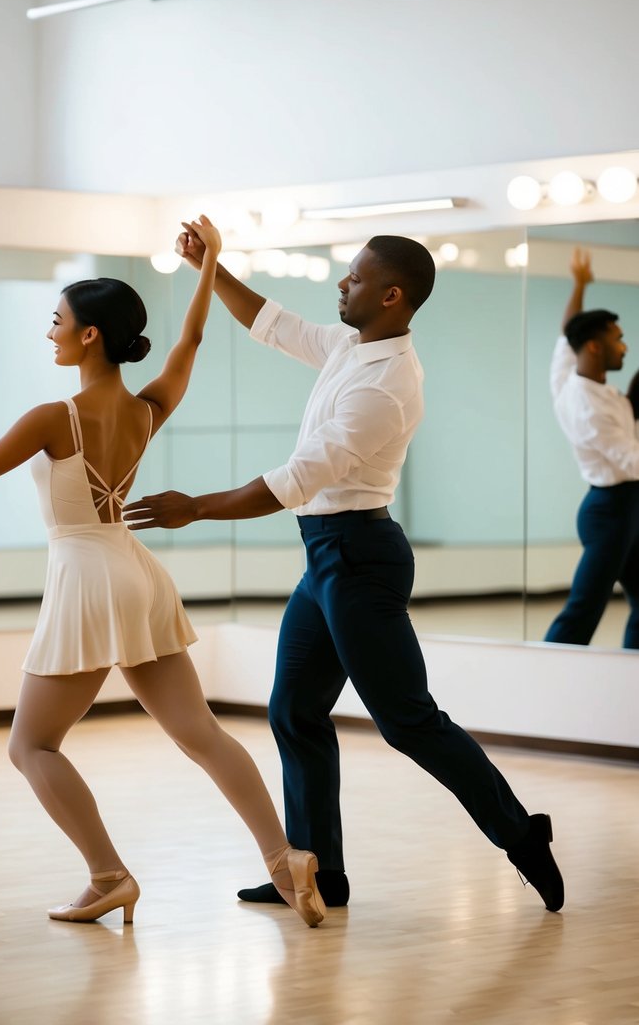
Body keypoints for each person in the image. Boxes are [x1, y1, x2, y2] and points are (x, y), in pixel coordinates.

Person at [0, 217, 325, 929]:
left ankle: (108, 875)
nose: (48, 332)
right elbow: (191, 340)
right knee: (200, 732)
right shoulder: (147, 408)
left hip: (87, 578)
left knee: (31, 745)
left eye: (57, 321)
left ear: (88, 335)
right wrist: (209, 266)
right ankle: (283, 859)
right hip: (137, 573)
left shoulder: (56, 415)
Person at [124, 229, 565, 914]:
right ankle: (315, 873)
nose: (340, 285)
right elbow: (270, 323)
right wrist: (208, 266)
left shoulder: (387, 385)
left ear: (391, 296)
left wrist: (195, 508)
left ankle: (520, 835)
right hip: (325, 557)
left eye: (354, 279)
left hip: (359, 559)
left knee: (407, 722)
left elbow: (295, 481)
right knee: (294, 712)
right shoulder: (347, 346)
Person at [544, 247, 639, 649]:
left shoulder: (571, 376)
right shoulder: (585, 406)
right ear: (596, 347)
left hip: (627, 506)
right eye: (618, 340)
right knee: (585, 607)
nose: (625, 347)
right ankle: (547, 670)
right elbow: (630, 461)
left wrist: (580, 284)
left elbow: (569, 332)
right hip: (611, 511)